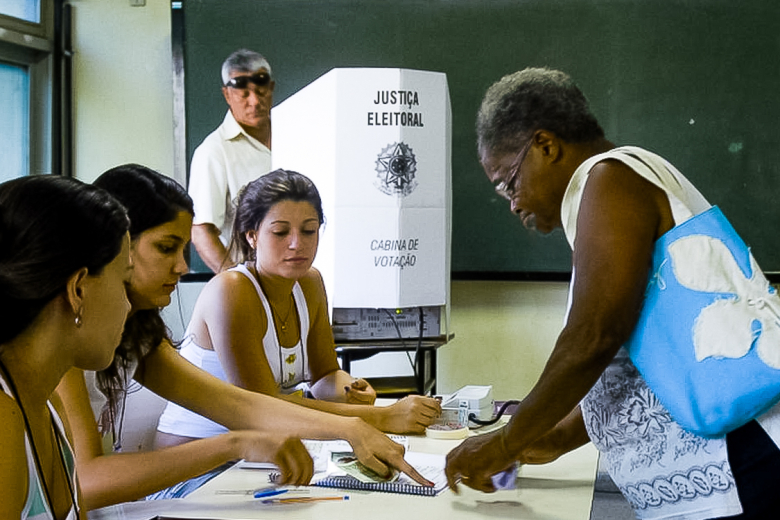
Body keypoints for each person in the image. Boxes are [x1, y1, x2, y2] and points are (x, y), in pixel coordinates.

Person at [444, 68, 780, 519]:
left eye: (509, 182)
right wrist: (557, 434)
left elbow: (593, 336)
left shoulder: (609, 178)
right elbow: (645, 361)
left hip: (743, 463)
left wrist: (508, 441)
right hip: (725, 472)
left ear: (546, 145)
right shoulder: (610, 190)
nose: (513, 203)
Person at [54, 164, 432, 511]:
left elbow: (240, 405)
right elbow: (84, 481)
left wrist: (355, 424)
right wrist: (235, 443)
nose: (184, 267)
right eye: (166, 248)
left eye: (309, 230)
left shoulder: (136, 332)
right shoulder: (63, 340)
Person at [156, 169, 442, 446]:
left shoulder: (310, 282)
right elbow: (265, 409)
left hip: (264, 451)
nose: (297, 244)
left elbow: (325, 376)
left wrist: (348, 388)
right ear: (251, 235)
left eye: (309, 231)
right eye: (280, 232)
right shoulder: (232, 290)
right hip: (203, 462)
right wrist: (383, 416)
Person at [0, 175, 131, 520]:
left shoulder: (50, 405)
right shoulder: (2, 422)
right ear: (77, 291)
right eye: (124, 282)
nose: (128, 306)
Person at [189, 48, 275, 273]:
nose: (254, 101)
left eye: (260, 90)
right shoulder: (213, 152)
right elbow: (201, 231)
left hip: (307, 275)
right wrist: (236, 281)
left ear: (271, 88)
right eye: (243, 93)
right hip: (252, 277)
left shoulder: (300, 132)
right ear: (227, 94)